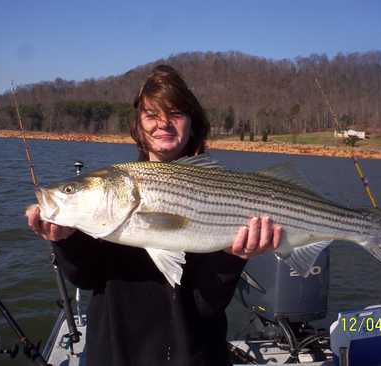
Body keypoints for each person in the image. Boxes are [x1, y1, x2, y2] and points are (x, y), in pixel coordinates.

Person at [26, 65, 281, 366]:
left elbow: (206, 304)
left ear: (192, 122)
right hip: (116, 354)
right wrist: (66, 241)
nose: (163, 124)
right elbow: (85, 278)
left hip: (196, 354)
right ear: (138, 125)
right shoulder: (112, 191)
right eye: (151, 115)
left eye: (175, 113)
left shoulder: (213, 185)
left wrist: (233, 256)